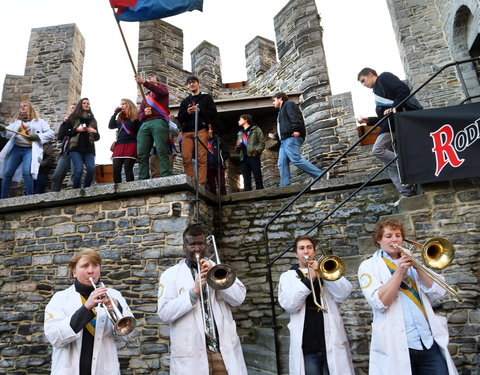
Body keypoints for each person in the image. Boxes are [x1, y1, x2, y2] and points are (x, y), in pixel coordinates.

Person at [358, 218, 458, 375]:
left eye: (398, 235)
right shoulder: (368, 266)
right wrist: (399, 272)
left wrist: (418, 266)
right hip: (397, 345)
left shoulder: (412, 261)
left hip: (427, 342)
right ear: (379, 240)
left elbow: (437, 292)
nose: (394, 239)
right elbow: (379, 302)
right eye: (389, 236)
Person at [157, 224, 247, 374]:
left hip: (221, 349)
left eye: (200, 243)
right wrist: (193, 293)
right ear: (184, 247)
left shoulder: (219, 268)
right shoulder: (170, 275)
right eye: (192, 244)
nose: (197, 248)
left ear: (206, 245)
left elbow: (238, 299)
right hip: (191, 352)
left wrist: (217, 278)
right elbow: (164, 313)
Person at [44, 249, 135, 375]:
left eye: (95, 266)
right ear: (74, 272)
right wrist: (86, 308)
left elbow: (128, 335)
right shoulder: (59, 298)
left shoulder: (114, 296)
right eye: (85, 266)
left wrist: (116, 309)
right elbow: (55, 338)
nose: (91, 270)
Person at [278, 235, 355, 375]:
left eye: (309, 248)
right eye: (301, 248)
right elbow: (289, 305)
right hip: (308, 345)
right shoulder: (287, 276)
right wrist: (309, 279)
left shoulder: (324, 269)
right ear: (296, 254)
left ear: (314, 251)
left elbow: (344, 293)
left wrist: (324, 274)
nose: (306, 251)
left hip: (330, 341)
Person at [357, 68, 421, 197]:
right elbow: (383, 117)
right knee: (388, 162)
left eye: (363, 81)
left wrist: (394, 107)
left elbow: (404, 90)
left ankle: (408, 165)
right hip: (389, 124)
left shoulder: (384, 77)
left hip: (396, 122)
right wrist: (368, 120)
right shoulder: (376, 91)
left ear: (370, 74)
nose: (364, 85)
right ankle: (406, 192)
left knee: (378, 150)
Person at [0, 101, 54, 198]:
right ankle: (2, 198)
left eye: (24, 106)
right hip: (16, 149)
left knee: (26, 172)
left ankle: (29, 197)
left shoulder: (40, 122)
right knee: (7, 173)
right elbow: (8, 132)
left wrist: (37, 136)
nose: (22, 108)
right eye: (20, 107)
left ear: (30, 108)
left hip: (29, 150)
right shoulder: (17, 123)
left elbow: (51, 134)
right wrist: (3, 129)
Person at [272, 92, 326, 186]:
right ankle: (285, 185)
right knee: (281, 163)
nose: (273, 103)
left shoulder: (289, 104)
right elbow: (284, 126)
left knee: (295, 159)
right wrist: (276, 136)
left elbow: (295, 118)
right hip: (284, 140)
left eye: (274, 100)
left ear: (280, 98)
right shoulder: (281, 111)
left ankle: (321, 175)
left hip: (291, 138)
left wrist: (297, 130)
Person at [178, 76, 217, 187]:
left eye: (193, 82)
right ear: (187, 86)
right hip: (187, 131)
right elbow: (180, 118)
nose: (191, 84)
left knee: (201, 157)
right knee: (186, 157)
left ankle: (201, 183)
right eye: (189, 83)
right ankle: (191, 181)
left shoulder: (206, 98)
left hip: (201, 130)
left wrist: (200, 110)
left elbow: (213, 113)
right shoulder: (185, 101)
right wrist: (187, 112)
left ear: (198, 83)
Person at [135, 72, 171, 179]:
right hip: (145, 124)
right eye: (147, 77)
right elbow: (139, 116)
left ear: (157, 80)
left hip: (158, 121)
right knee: (141, 153)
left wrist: (144, 82)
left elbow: (161, 92)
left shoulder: (163, 88)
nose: (149, 77)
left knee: (161, 149)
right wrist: (144, 114)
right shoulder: (145, 97)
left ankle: (166, 174)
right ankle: (143, 178)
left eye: (151, 76)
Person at [66, 98, 100, 189]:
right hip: (75, 148)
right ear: (80, 105)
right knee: (79, 169)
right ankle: (76, 190)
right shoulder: (73, 118)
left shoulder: (93, 120)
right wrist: (77, 130)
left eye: (88, 103)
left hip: (89, 149)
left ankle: (86, 189)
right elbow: (66, 133)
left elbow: (97, 138)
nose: (86, 105)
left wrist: (94, 131)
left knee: (91, 169)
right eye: (84, 103)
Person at [108, 99, 141, 183]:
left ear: (129, 105)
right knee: (116, 167)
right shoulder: (120, 119)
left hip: (131, 144)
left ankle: (131, 188)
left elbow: (138, 130)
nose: (121, 106)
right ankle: (117, 189)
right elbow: (110, 126)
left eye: (123, 104)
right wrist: (115, 113)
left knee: (127, 168)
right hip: (119, 145)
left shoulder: (135, 118)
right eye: (121, 104)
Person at [236, 114, 265, 191]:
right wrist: (238, 146)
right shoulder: (240, 133)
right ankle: (247, 195)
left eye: (240, 119)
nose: (238, 121)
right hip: (244, 158)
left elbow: (262, 143)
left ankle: (260, 193)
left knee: (257, 176)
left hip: (253, 156)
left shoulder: (256, 129)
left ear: (245, 120)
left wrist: (256, 152)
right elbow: (237, 150)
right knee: (246, 179)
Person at [51, 104, 76, 192]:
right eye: (70, 109)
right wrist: (64, 123)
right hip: (65, 152)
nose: (71, 110)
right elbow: (60, 136)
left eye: (73, 108)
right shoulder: (67, 122)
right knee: (57, 176)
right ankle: (53, 197)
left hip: (76, 151)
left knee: (75, 176)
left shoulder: (80, 120)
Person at [207, 125, 230, 195]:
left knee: (221, 184)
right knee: (211, 185)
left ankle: (224, 200)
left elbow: (226, 152)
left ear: (211, 130)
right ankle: (213, 202)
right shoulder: (202, 141)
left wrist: (221, 160)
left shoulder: (218, 140)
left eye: (209, 129)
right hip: (208, 166)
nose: (207, 131)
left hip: (219, 165)